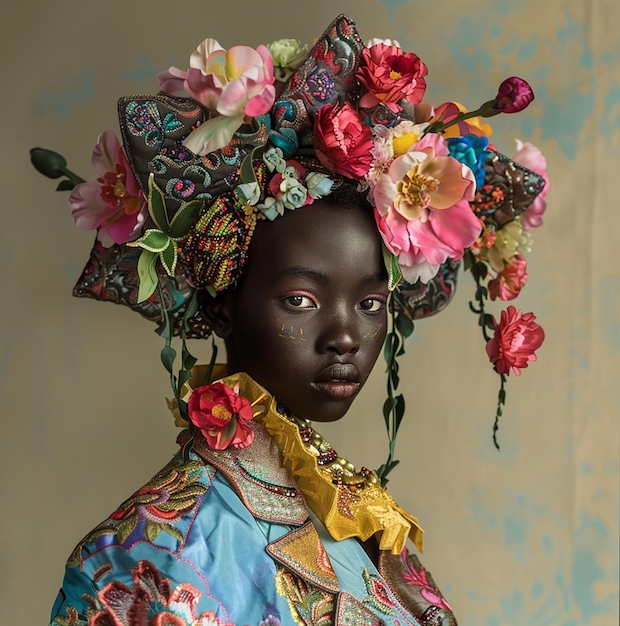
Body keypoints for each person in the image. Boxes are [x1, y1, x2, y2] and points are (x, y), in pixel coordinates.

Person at [34, 14, 547, 626]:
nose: (346, 337)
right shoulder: (145, 557)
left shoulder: (351, 513)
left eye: (372, 303)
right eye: (300, 300)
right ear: (224, 297)